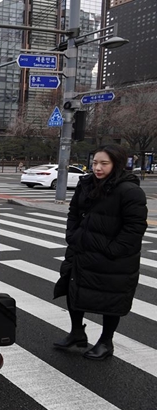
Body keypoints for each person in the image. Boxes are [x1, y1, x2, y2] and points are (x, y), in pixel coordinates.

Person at [53, 145, 147, 360]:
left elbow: (135, 227)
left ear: (117, 164)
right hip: (81, 250)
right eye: (95, 162)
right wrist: (73, 236)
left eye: (104, 163)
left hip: (113, 258)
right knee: (73, 288)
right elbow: (74, 212)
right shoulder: (86, 183)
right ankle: (77, 333)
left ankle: (106, 341)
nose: (97, 167)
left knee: (111, 299)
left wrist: (113, 250)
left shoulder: (129, 190)